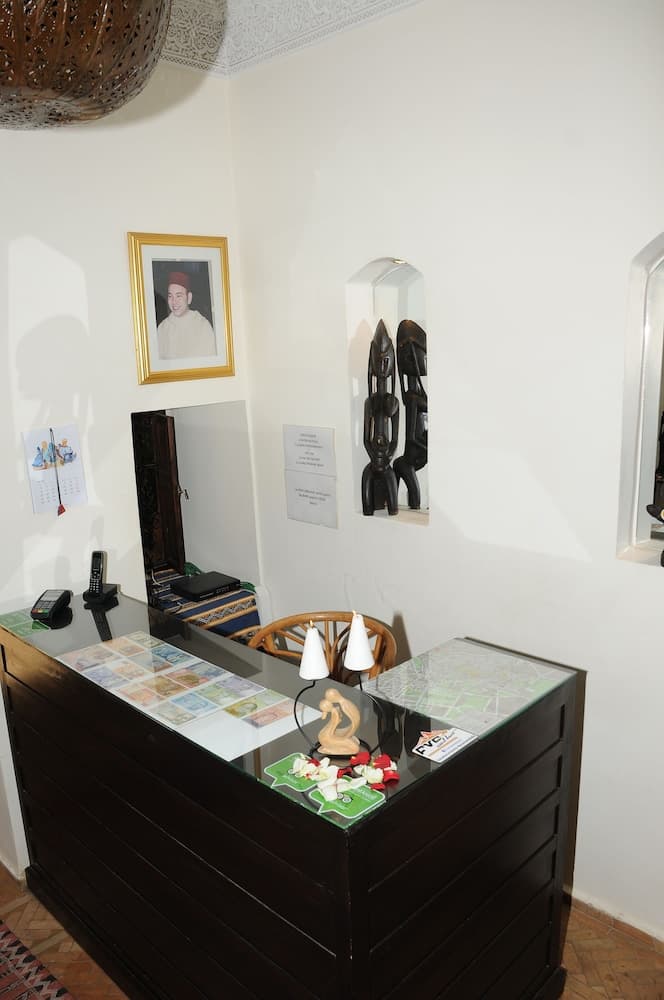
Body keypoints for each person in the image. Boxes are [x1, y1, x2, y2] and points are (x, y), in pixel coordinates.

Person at [156, 270, 216, 360]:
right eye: (170, 296)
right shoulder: (162, 328)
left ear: (189, 298)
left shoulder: (203, 326)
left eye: (179, 296)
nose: (174, 302)